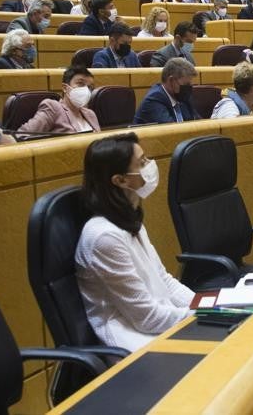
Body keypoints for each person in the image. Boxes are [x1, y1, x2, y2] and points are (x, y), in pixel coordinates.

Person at [74, 133, 193, 351]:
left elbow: (164, 281)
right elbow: (146, 318)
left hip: (157, 328)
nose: (150, 166)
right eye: (142, 163)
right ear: (120, 180)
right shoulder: (104, 237)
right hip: (131, 344)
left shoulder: (129, 218)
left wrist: (212, 306)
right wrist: (203, 316)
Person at [19, 66, 102, 135]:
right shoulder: (53, 107)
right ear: (65, 88)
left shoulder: (90, 114)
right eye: (80, 83)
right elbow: (22, 135)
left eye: (90, 87)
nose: (86, 90)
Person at [135, 57, 199, 124]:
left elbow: (198, 121)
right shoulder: (154, 99)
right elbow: (172, 130)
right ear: (171, 80)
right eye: (186, 84)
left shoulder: (183, 98)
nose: (188, 87)